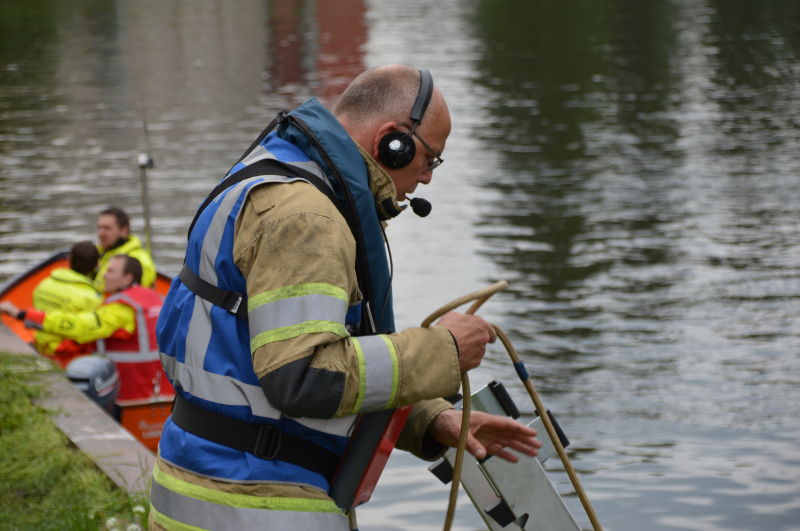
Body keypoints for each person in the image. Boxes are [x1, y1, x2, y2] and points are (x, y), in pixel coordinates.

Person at [151, 65, 542, 531]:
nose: (428, 179)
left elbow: (269, 352)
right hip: (257, 504)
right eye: (431, 159)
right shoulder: (307, 218)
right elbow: (303, 377)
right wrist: (443, 350)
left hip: (204, 485)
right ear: (393, 142)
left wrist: (429, 418)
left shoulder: (272, 176)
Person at [0, 255, 172, 403]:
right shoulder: (156, 298)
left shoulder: (120, 309)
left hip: (126, 394)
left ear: (128, 278)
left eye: (110, 271)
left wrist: (22, 314)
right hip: (159, 390)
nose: (103, 275)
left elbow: (79, 327)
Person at [31, 241, 102, 367]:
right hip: (67, 357)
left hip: (40, 348)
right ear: (96, 265)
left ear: (69, 259)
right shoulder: (92, 297)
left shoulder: (43, 284)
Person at [94, 206, 156, 293]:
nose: (101, 233)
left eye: (107, 228)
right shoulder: (100, 253)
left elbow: (137, 295)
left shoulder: (138, 260)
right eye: (99, 228)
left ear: (124, 231)